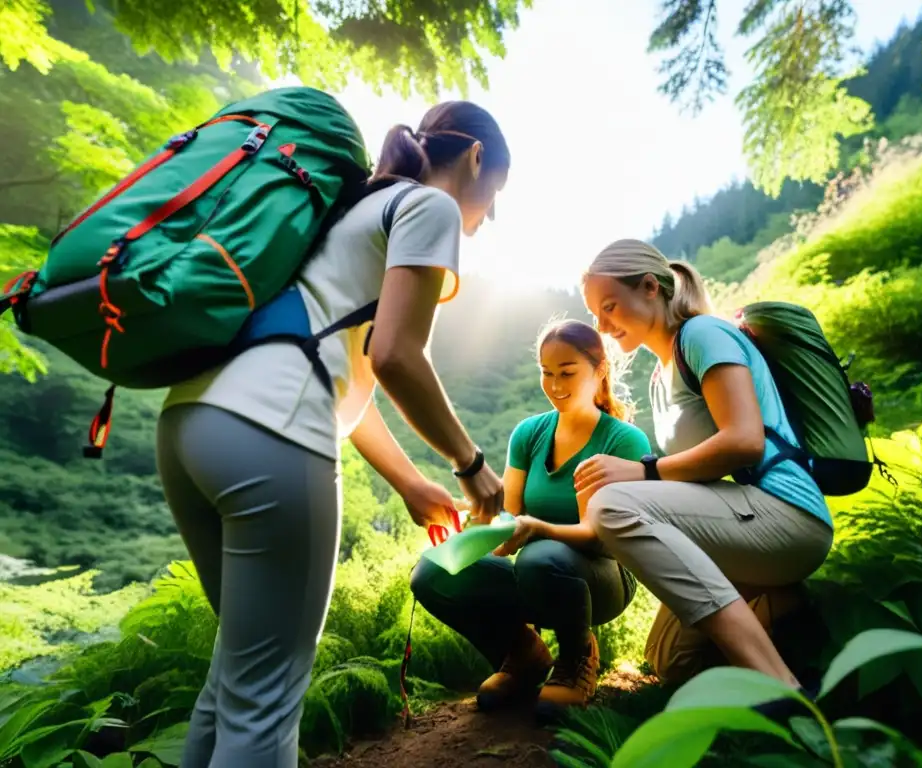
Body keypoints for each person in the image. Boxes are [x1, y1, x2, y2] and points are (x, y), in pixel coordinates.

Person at [155, 101, 510, 768]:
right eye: (497, 196)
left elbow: (340, 370)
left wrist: (408, 480)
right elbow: (397, 357)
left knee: (237, 676)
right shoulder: (426, 208)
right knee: (264, 703)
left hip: (191, 424)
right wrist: (470, 463)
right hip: (272, 432)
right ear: (475, 160)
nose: (488, 215)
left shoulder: (343, 210)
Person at [575, 239, 834, 710]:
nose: (603, 326)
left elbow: (743, 441)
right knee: (669, 657)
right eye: (595, 313)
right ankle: (784, 607)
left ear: (650, 288)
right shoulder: (659, 377)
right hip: (740, 522)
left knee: (612, 504)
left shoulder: (702, 336)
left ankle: (785, 689)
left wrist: (640, 471)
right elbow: (690, 481)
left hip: (786, 514)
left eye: (609, 307)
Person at [410, 318, 651, 713]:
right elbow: (510, 513)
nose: (555, 386)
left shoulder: (623, 441)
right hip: (535, 571)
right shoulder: (528, 433)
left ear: (600, 369)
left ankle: (577, 658)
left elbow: (601, 537)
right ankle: (523, 654)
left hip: (603, 577)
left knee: (541, 557)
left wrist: (539, 529)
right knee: (433, 572)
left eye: (567, 373)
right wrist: (469, 515)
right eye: (547, 373)